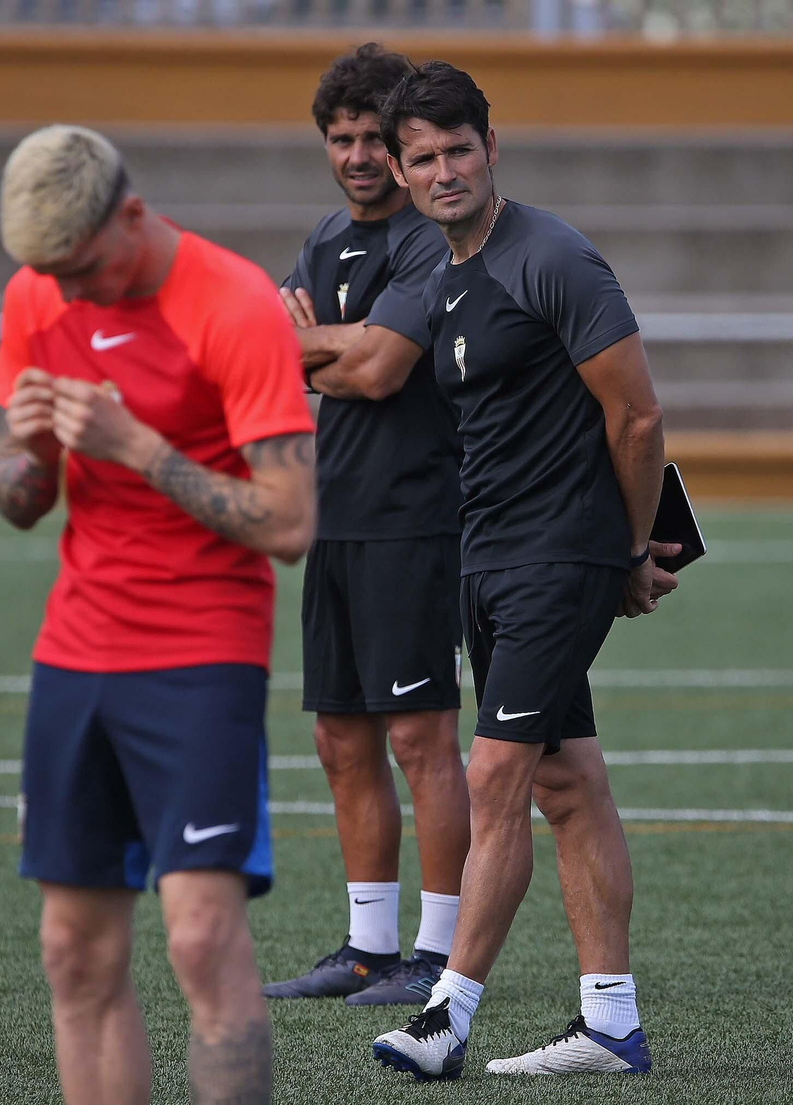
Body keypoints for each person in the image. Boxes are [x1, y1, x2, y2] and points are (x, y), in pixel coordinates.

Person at [0, 124, 316, 1105]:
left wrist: (138, 447)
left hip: (202, 651)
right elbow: (16, 497)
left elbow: (292, 522)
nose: (70, 294)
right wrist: (30, 455)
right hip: (75, 648)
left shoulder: (232, 301)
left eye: (83, 268)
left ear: (132, 214)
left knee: (202, 937)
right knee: (72, 949)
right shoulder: (36, 290)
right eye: (52, 275)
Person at [366, 63, 680, 1081]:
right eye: (424, 157)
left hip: (561, 555)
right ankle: (611, 1025)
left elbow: (636, 416)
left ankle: (444, 1016)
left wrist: (628, 550)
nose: (444, 169)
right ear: (401, 173)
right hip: (488, 556)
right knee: (565, 782)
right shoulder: (440, 269)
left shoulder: (553, 257)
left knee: (494, 772)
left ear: (491, 149)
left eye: (460, 149)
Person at [259, 44, 471, 1008]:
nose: (357, 156)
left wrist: (310, 345)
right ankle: (368, 948)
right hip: (337, 516)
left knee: (420, 737)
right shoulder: (322, 239)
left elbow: (383, 371)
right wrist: (333, 347)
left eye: (374, 139)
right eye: (340, 138)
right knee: (341, 738)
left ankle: (440, 951)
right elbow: (283, 357)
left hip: (415, 517)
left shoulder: (428, 239)